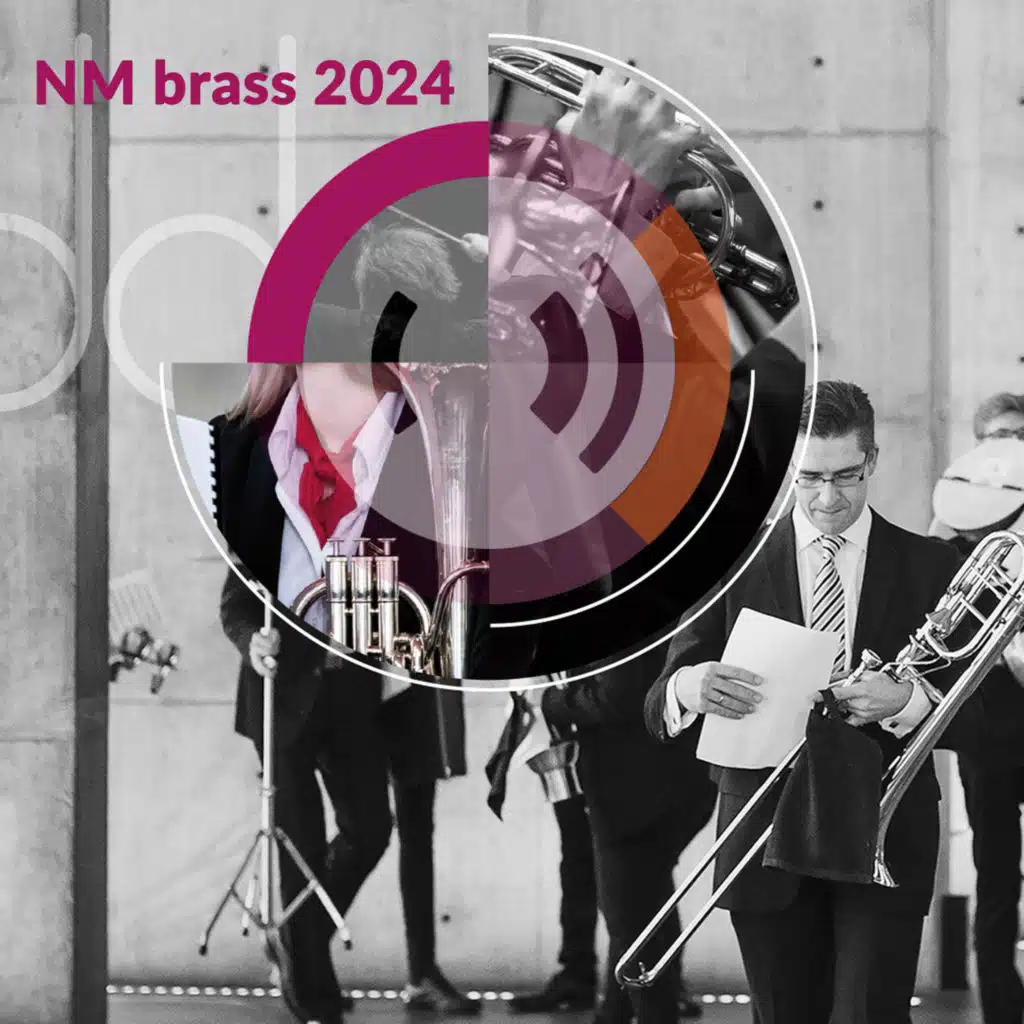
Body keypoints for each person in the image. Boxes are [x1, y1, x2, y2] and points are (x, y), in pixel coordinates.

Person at [643, 380, 988, 1024]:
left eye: (846, 475)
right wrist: (691, 686)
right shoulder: (728, 562)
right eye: (809, 478)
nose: (828, 497)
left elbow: (989, 720)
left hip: (884, 833)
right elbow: (659, 699)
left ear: (872, 461)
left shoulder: (931, 565)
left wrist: (908, 703)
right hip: (762, 832)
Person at [215, 225, 478, 1023]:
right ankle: (313, 988)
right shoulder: (268, 465)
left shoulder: (403, 437)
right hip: (283, 695)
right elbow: (235, 599)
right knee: (297, 845)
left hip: (359, 688)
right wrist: (253, 642)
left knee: (370, 829)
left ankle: (299, 941)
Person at [541, 647, 717, 1024]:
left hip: (634, 788)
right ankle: (615, 1012)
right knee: (644, 906)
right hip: (674, 780)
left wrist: (553, 701)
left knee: (630, 919)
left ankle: (648, 1014)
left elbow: (617, 695)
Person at [931, 412, 1024, 1024]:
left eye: (1015, 437)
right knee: (995, 875)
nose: (1004, 449)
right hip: (989, 738)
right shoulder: (952, 535)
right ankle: (1001, 1008)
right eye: (994, 437)